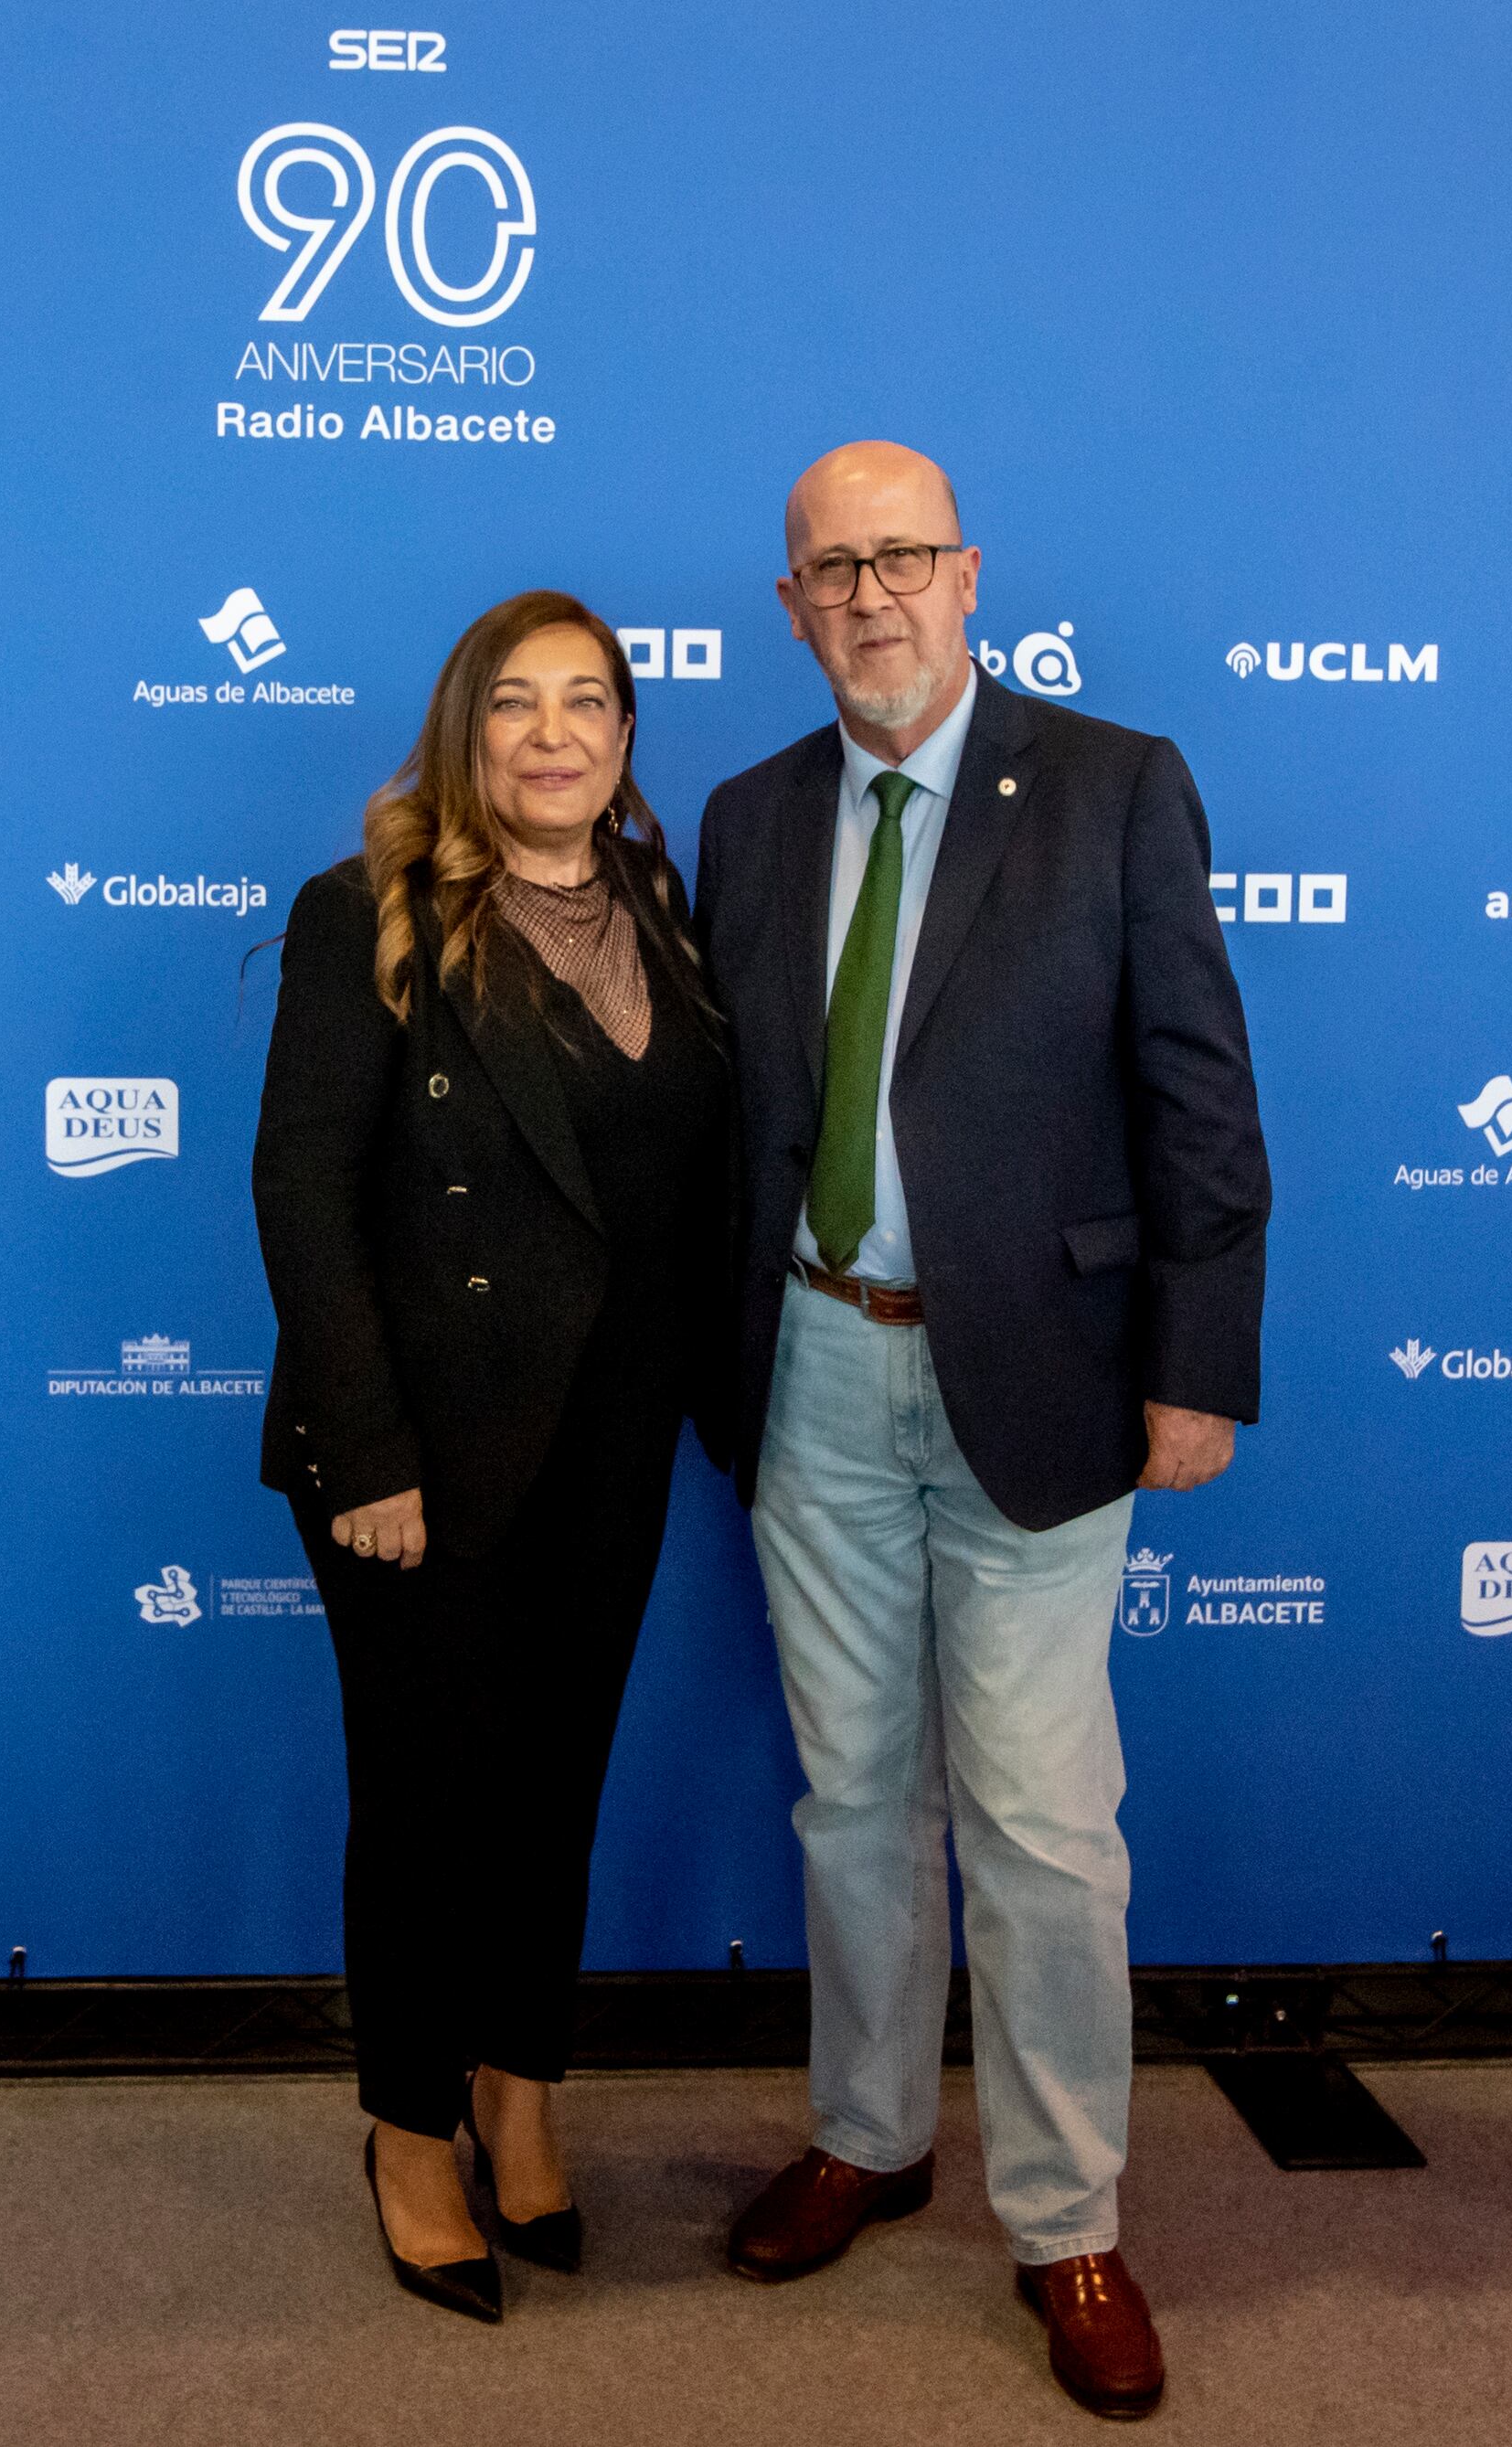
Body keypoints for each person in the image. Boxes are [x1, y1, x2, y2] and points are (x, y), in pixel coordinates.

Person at [693, 443, 1271, 2420]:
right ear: (787, 606)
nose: (869, 597)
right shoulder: (748, 817)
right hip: (812, 1373)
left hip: (1040, 1378)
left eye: (903, 558)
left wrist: (1197, 1363)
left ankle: (1066, 2216)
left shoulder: (1112, 785)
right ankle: (867, 2131)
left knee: (1038, 1825)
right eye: (828, 569)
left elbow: (1200, 1095)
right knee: (850, 1799)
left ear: (968, 574)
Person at [252, 589, 736, 2324]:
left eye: (587, 703)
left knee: (555, 1783)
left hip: (609, 1433)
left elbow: (679, 1200)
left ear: (622, 735)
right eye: (515, 704)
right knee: (428, 1799)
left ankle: (520, 2089)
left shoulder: (661, 910)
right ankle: (404, 2125)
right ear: (466, 732)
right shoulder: (366, 912)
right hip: (418, 1450)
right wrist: (366, 1446)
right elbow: (301, 1190)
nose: (553, 734)